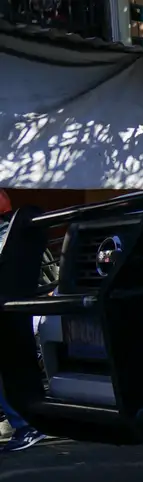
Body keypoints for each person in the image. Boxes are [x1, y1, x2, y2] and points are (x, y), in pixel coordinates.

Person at [0, 189, 49, 453]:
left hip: (12, 305)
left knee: (14, 365)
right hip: (12, 303)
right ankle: (25, 422)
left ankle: (27, 423)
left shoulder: (19, 223)